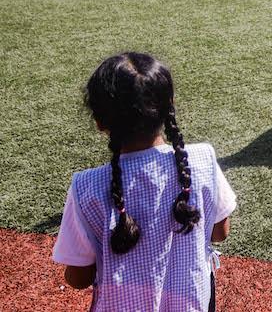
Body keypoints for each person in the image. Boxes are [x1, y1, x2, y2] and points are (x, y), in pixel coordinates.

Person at [51, 52, 236, 312]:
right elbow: (220, 232)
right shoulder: (202, 159)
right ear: (168, 106)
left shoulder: (87, 187)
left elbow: (79, 277)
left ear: (99, 121)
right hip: (193, 304)